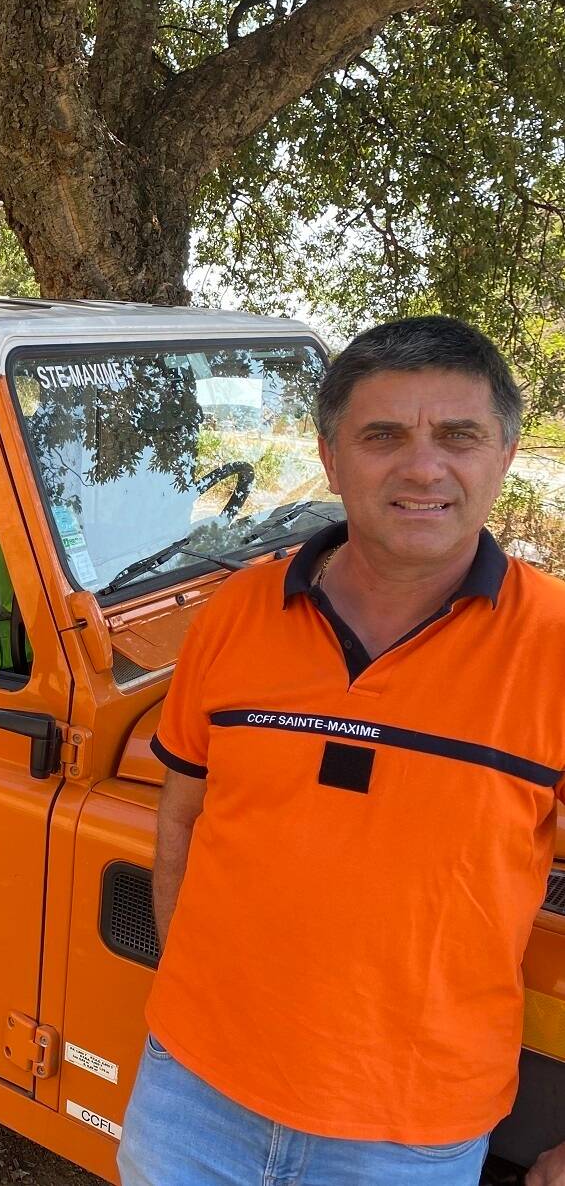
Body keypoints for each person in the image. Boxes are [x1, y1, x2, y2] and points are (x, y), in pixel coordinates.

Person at [119, 316, 565, 1186]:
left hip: (407, 1136)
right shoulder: (238, 612)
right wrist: (189, 1007)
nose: (423, 468)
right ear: (330, 458)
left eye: (458, 436)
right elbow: (183, 817)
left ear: (503, 453)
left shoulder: (554, 644)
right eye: (382, 435)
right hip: (190, 1102)